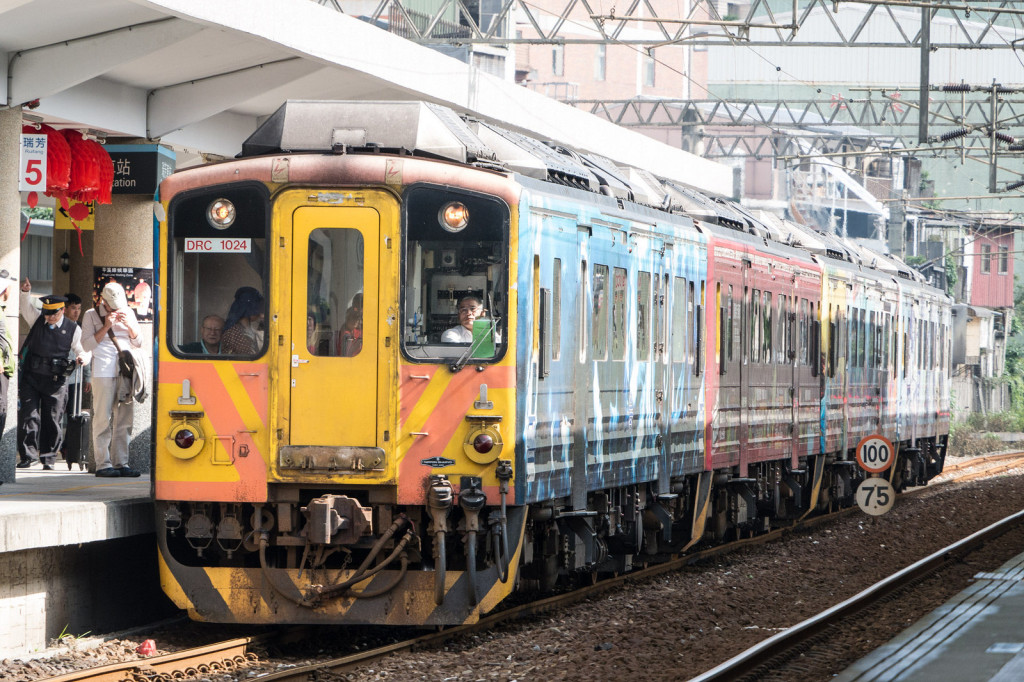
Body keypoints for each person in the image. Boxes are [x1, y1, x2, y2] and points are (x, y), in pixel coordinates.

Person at [17, 279, 86, 470]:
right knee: (29, 416)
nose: (49, 318)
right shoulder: (39, 319)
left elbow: (80, 350)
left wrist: (83, 357)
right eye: (47, 314)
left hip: (56, 381)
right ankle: (28, 456)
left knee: (52, 419)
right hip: (32, 377)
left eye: (53, 315)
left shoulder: (73, 329)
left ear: (62, 310)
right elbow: (25, 308)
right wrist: (25, 292)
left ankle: (48, 458)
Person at [81, 282, 142, 477]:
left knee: (125, 418)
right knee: (102, 417)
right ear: (103, 301)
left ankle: (121, 463)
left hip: (125, 370)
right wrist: (106, 325)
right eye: (112, 306)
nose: (116, 309)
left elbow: (138, 341)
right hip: (103, 370)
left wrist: (129, 326)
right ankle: (103, 464)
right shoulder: (91, 315)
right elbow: (87, 344)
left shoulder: (128, 312)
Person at [221, 287, 265, 355]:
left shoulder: (249, 330)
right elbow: (249, 355)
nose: (261, 315)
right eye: (259, 310)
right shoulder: (233, 332)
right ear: (249, 310)